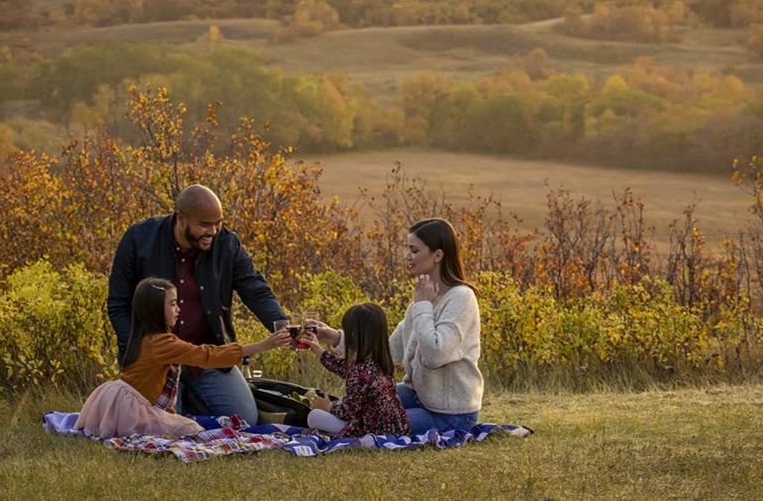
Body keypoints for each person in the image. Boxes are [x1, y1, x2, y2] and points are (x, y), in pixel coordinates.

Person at [107, 184, 288, 424]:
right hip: (158, 360)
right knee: (159, 425)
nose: (213, 231)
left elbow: (255, 289)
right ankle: (182, 401)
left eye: (218, 223)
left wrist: (281, 324)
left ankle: (191, 398)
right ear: (181, 219)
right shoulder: (139, 239)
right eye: (205, 224)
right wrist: (139, 350)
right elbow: (118, 304)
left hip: (208, 355)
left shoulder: (227, 244)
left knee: (245, 419)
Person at [312, 218, 483, 435]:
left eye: (414, 250)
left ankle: (344, 428)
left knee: (375, 421)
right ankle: (339, 422)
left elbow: (435, 355)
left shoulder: (461, 298)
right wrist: (336, 338)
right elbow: (390, 352)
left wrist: (422, 305)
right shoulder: (422, 300)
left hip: (450, 415)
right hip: (418, 396)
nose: (407, 256)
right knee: (364, 399)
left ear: (437, 255)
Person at [77, 277, 290, 438]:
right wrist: (263, 345)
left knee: (180, 422)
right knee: (192, 429)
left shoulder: (143, 335)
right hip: (132, 410)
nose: (178, 309)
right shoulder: (162, 343)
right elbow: (206, 355)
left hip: (115, 399)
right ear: (154, 309)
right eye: (172, 304)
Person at [302, 302, 410, 437]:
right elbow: (344, 368)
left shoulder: (361, 372)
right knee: (339, 403)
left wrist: (328, 407)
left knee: (314, 416)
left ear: (353, 335)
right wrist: (319, 351)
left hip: (371, 429)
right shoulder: (380, 360)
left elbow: (347, 412)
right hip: (392, 425)